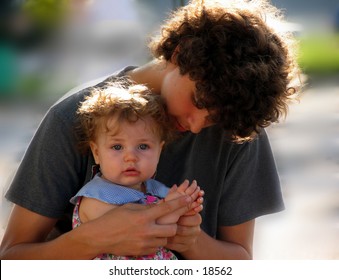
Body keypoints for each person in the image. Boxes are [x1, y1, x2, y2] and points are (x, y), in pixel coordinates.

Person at [0, 0, 301, 260]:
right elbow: (12, 258)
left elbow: (238, 260)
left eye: (214, 119)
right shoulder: (75, 117)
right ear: (180, 54)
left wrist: (191, 240)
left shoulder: (237, 127)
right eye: (198, 101)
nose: (196, 126)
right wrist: (93, 238)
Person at [71, 79, 204, 260]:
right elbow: (137, 229)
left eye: (143, 147)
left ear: (159, 151)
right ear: (96, 153)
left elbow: (179, 230)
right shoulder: (95, 198)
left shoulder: (156, 191)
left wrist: (186, 207)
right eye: (117, 147)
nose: (131, 157)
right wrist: (172, 209)